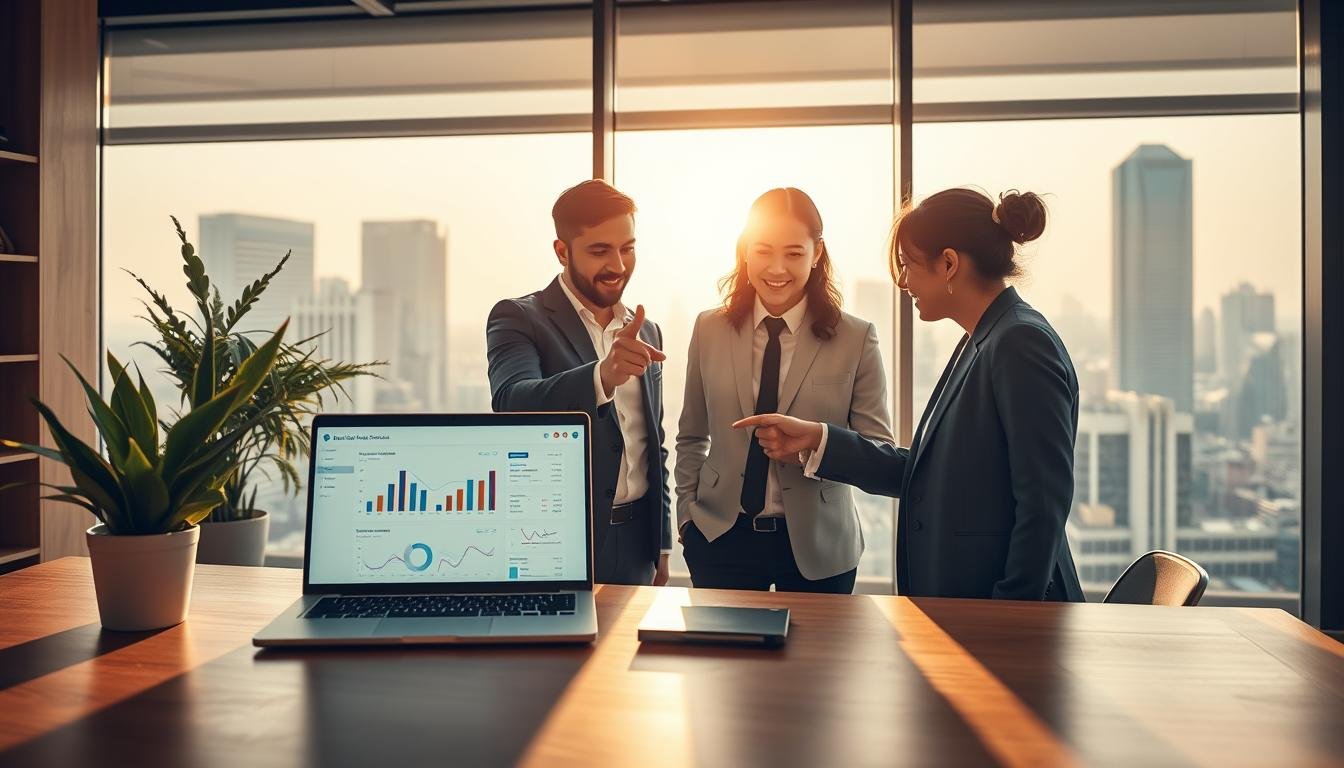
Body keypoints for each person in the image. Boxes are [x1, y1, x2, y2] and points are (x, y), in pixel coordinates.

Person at [734, 187, 1085, 601]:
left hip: (1004, 615)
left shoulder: (1020, 343)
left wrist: (1009, 612)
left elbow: (1043, 501)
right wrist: (821, 441)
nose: (902, 282)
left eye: (908, 265)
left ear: (949, 264)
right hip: (973, 606)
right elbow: (930, 474)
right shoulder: (983, 339)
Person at [675, 187, 894, 593]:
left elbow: (878, 448)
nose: (777, 268)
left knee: (818, 659)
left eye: (794, 253)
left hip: (821, 548)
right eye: (763, 251)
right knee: (725, 658)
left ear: (818, 254)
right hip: (721, 539)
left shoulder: (856, 338)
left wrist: (814, 448)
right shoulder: (709, 329)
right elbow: (691, 435)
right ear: (744, 251)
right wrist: (687, 520)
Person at [486, 179, 671, 586]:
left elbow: (651, 442)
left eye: (628, 248)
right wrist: (601, 375)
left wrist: (661, 545)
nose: (619, 266)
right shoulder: (519, 318)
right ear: (562, 251)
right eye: (600, 250)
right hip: (558, 542)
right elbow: (512, 401)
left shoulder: (647, 331)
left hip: (639, 541)